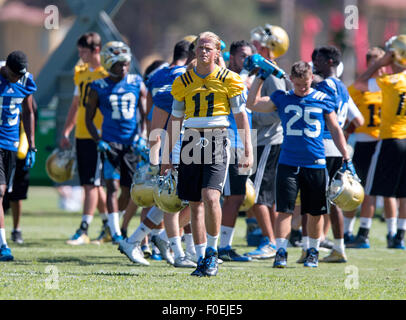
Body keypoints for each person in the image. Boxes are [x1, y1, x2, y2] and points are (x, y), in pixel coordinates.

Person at [162, 31, 253, 277]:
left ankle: (212, 254)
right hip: (191, 139)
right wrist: (166, 155)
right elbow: (176, 119)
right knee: (194, 202)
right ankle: (202, 257)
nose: (203, 52)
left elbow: (241, 116)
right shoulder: (182, 82)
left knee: (211, 196)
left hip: (217, 138)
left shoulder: (230, 79)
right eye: (200, 47)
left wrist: (248, 148)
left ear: (216, 52)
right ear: (194, 51)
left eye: (208, 48)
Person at [247, 61, 354, 268]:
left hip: (315, 162)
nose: (302, 89)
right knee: (285, 210)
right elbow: (252, 103)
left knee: (315, 211)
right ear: (291, 81)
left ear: (311, 77)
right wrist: (260, 78)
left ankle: (312, 250)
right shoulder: (284, 98)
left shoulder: (323, 99)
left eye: (305, 84)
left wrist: (345, 155)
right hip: (288, 162)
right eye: (297, 85)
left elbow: (335, 129)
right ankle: (281, 251)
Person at [118, 39, 197, 268]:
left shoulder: (157, 75)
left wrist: (153, 147)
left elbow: (152, 115)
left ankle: (136, 241)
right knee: (179, 198)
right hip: (178, 142)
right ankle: (173, 246)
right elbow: (168, 113)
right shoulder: (184, 76)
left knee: (180, 199)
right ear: (193, 53)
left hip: (168, 141)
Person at [85, 41, 147, 245]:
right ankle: (115, 232)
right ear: (108, 63)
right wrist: (99, 140)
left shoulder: (136, 82)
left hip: (131, 143)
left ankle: (117, 224)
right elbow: (89, 119)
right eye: (119, 64)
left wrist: (142, 135)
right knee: (112, 186)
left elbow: (145, 114)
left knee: (129, 190)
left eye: (126, 64)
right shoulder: (97, 86)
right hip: (110, 143)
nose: (124, 68)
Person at [311, 46, 364, 263]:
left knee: (315, 200)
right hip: (336, 146)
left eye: (319, 60)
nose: (315, 63)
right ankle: (338, 247)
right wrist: (343, 135)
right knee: (331, 201)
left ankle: (311, 249)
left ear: (331, 61)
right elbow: (358, 120)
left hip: (322, 145)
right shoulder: (342, 86)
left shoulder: (323, 85)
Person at [244, 24, 292, 260]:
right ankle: (274, 240)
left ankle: (270, 242)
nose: (255, 44)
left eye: (261, 42)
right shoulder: (261, 69)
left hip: (267, 139)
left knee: (257, 195)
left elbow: (277, 110)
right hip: (260, 139)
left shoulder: (273, 72)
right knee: (263, 196)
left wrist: (254, 115)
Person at [354, 37, 406, 249]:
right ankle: (399, 236)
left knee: (371, 187)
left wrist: (380, 63)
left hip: (390, 139)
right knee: (403, 193)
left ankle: (364, 233)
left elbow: (360, 83)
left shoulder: (390, 82)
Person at [60, 32, 109, 245]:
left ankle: (84, 229)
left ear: (96, 50)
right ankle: (109, 226)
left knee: (90, 185)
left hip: (99, 135)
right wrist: (66, 130)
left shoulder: (107, 73)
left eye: (84, 52)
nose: (81, 56)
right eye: (79, 52)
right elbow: (75, 104)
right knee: (94, 185)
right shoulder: (79, 72)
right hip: (81, 134)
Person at [344, 47, 386, 248]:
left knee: (370, 191)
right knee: (353, 187)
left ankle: (364, 233)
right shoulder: (362, 88)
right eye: (374, 63)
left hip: (379, 143)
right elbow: (350, 119)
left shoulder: (387, 85)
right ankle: (346, 231)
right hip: (360, 143)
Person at [218, 40, 254, 262]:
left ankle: (225, 246)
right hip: (228, 140)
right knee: (224, 197)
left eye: (249, 56)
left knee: (236, 197)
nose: (246, 61)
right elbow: (240, 82)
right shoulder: (227, 76)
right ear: (231, 57)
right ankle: (221, 247)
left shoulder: (247, 77)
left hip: (243, 141)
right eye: (242, 56)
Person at [0, 50, 37, 261]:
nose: (16, 79)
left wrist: (31, 144)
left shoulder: (25, 79)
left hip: (12, 144)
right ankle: (3, 245)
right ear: (6, 69)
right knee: (0, 190)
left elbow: (29, 111)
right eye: (14, 75)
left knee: (6, 192)